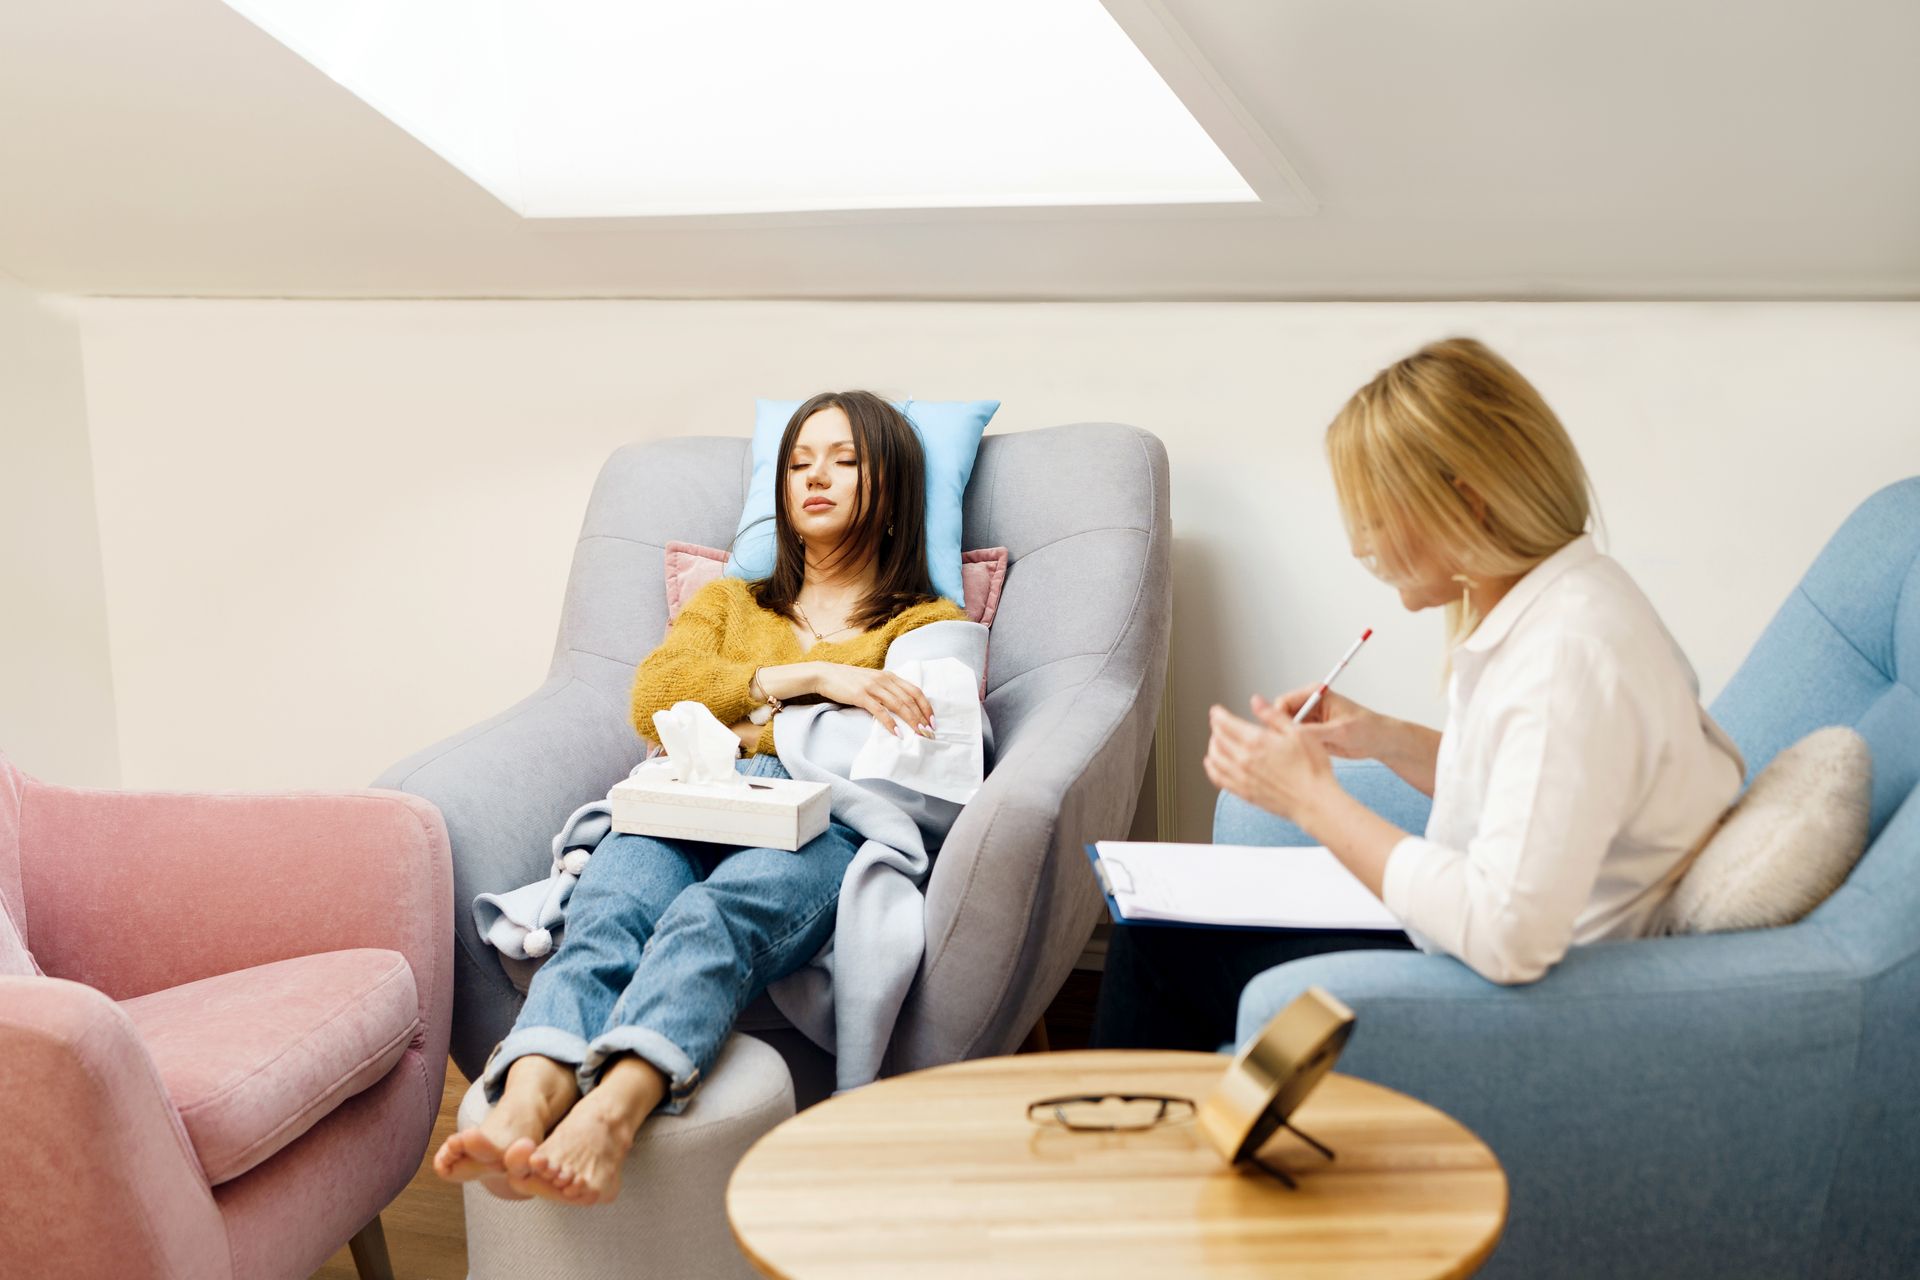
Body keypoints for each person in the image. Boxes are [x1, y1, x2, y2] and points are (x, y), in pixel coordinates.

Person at [1094, 337, 1745, 1051]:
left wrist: (1314, 800)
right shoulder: (1572, 599)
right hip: (1474, 945)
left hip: (1512, 995)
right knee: (1159, 933)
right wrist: (1383, 738)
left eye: (1374, 514)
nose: (1360, 543)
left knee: (1156, 955)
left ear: (1463, 504)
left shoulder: (1566, 660)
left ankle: (1120, 1155)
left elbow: (1508, 937)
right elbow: (1537, 794)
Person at [435, 390, 966, 1204]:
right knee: (608, 909)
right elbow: (657, 694)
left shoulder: (926, 624)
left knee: (709, 918)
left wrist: (755, 714)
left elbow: (922, 758)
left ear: (890, 487)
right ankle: (532, 1089)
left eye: (845, 460)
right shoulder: (727, 602)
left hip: (821, 820)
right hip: (688, 794)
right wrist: (816, 678)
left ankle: (614, 1108)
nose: (815, 477)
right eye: (798, 463)